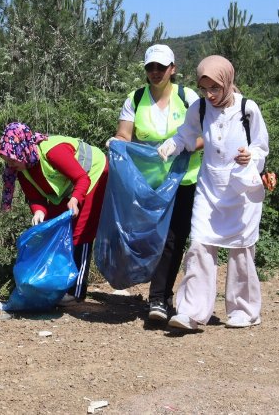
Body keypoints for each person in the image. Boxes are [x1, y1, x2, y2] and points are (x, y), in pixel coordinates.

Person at [157, 55, 269, 330]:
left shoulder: (247, 108)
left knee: (241, 251)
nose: (209, 95)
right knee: (199, 246)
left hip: (240, 190)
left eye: (215, 88)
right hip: (209, 188)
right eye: (204, 88)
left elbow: (261, 146)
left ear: (227, 82)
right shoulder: (200, 108)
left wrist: (250, 156)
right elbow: (185, 134)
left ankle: (244, 310)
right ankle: (192, 311)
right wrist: (171, 146)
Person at [108, 44, 202, 323]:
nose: (156, 72)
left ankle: (158, 298)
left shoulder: (188, 98)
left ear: (173, 69)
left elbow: (206, 135)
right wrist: (117, 143)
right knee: (150, 238)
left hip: (185, 180)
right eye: (151, 67)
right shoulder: (136, 99)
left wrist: (181, 147)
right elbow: (125, 135)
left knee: (174, 237)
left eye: (162, 67)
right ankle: (163, 291)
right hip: (149, 183)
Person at [0, 122, 109, 304]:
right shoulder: (22, 168)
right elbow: (36, 199)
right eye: (7, 159)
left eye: (12, 158)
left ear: (23, 150)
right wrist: (39, 212)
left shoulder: (53, 151)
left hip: (94, 174)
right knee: (54, 230)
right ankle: (57, 284)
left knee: (80, 233)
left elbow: (82, 178)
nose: (9, 163)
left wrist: (76, 199)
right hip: (70, 186)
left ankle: (76, 292)